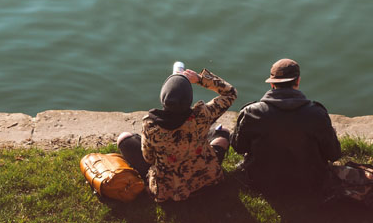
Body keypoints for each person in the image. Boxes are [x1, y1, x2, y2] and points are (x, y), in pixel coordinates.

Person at [116, 68, 237, 202]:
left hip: (169, 189)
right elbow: (230, 93)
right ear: (189, 99)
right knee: (223, 132)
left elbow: (148, 158)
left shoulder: (151, 126)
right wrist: (200, 79)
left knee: (124, 139)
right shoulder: (203, 115)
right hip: (205, 178)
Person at [232, 58, 342, 195]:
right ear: (298, 81)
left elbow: (239, 147)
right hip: (310, 183)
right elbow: (334, 154)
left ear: (272, 84)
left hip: (262, 183)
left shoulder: (251, 112)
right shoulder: (317, 114)